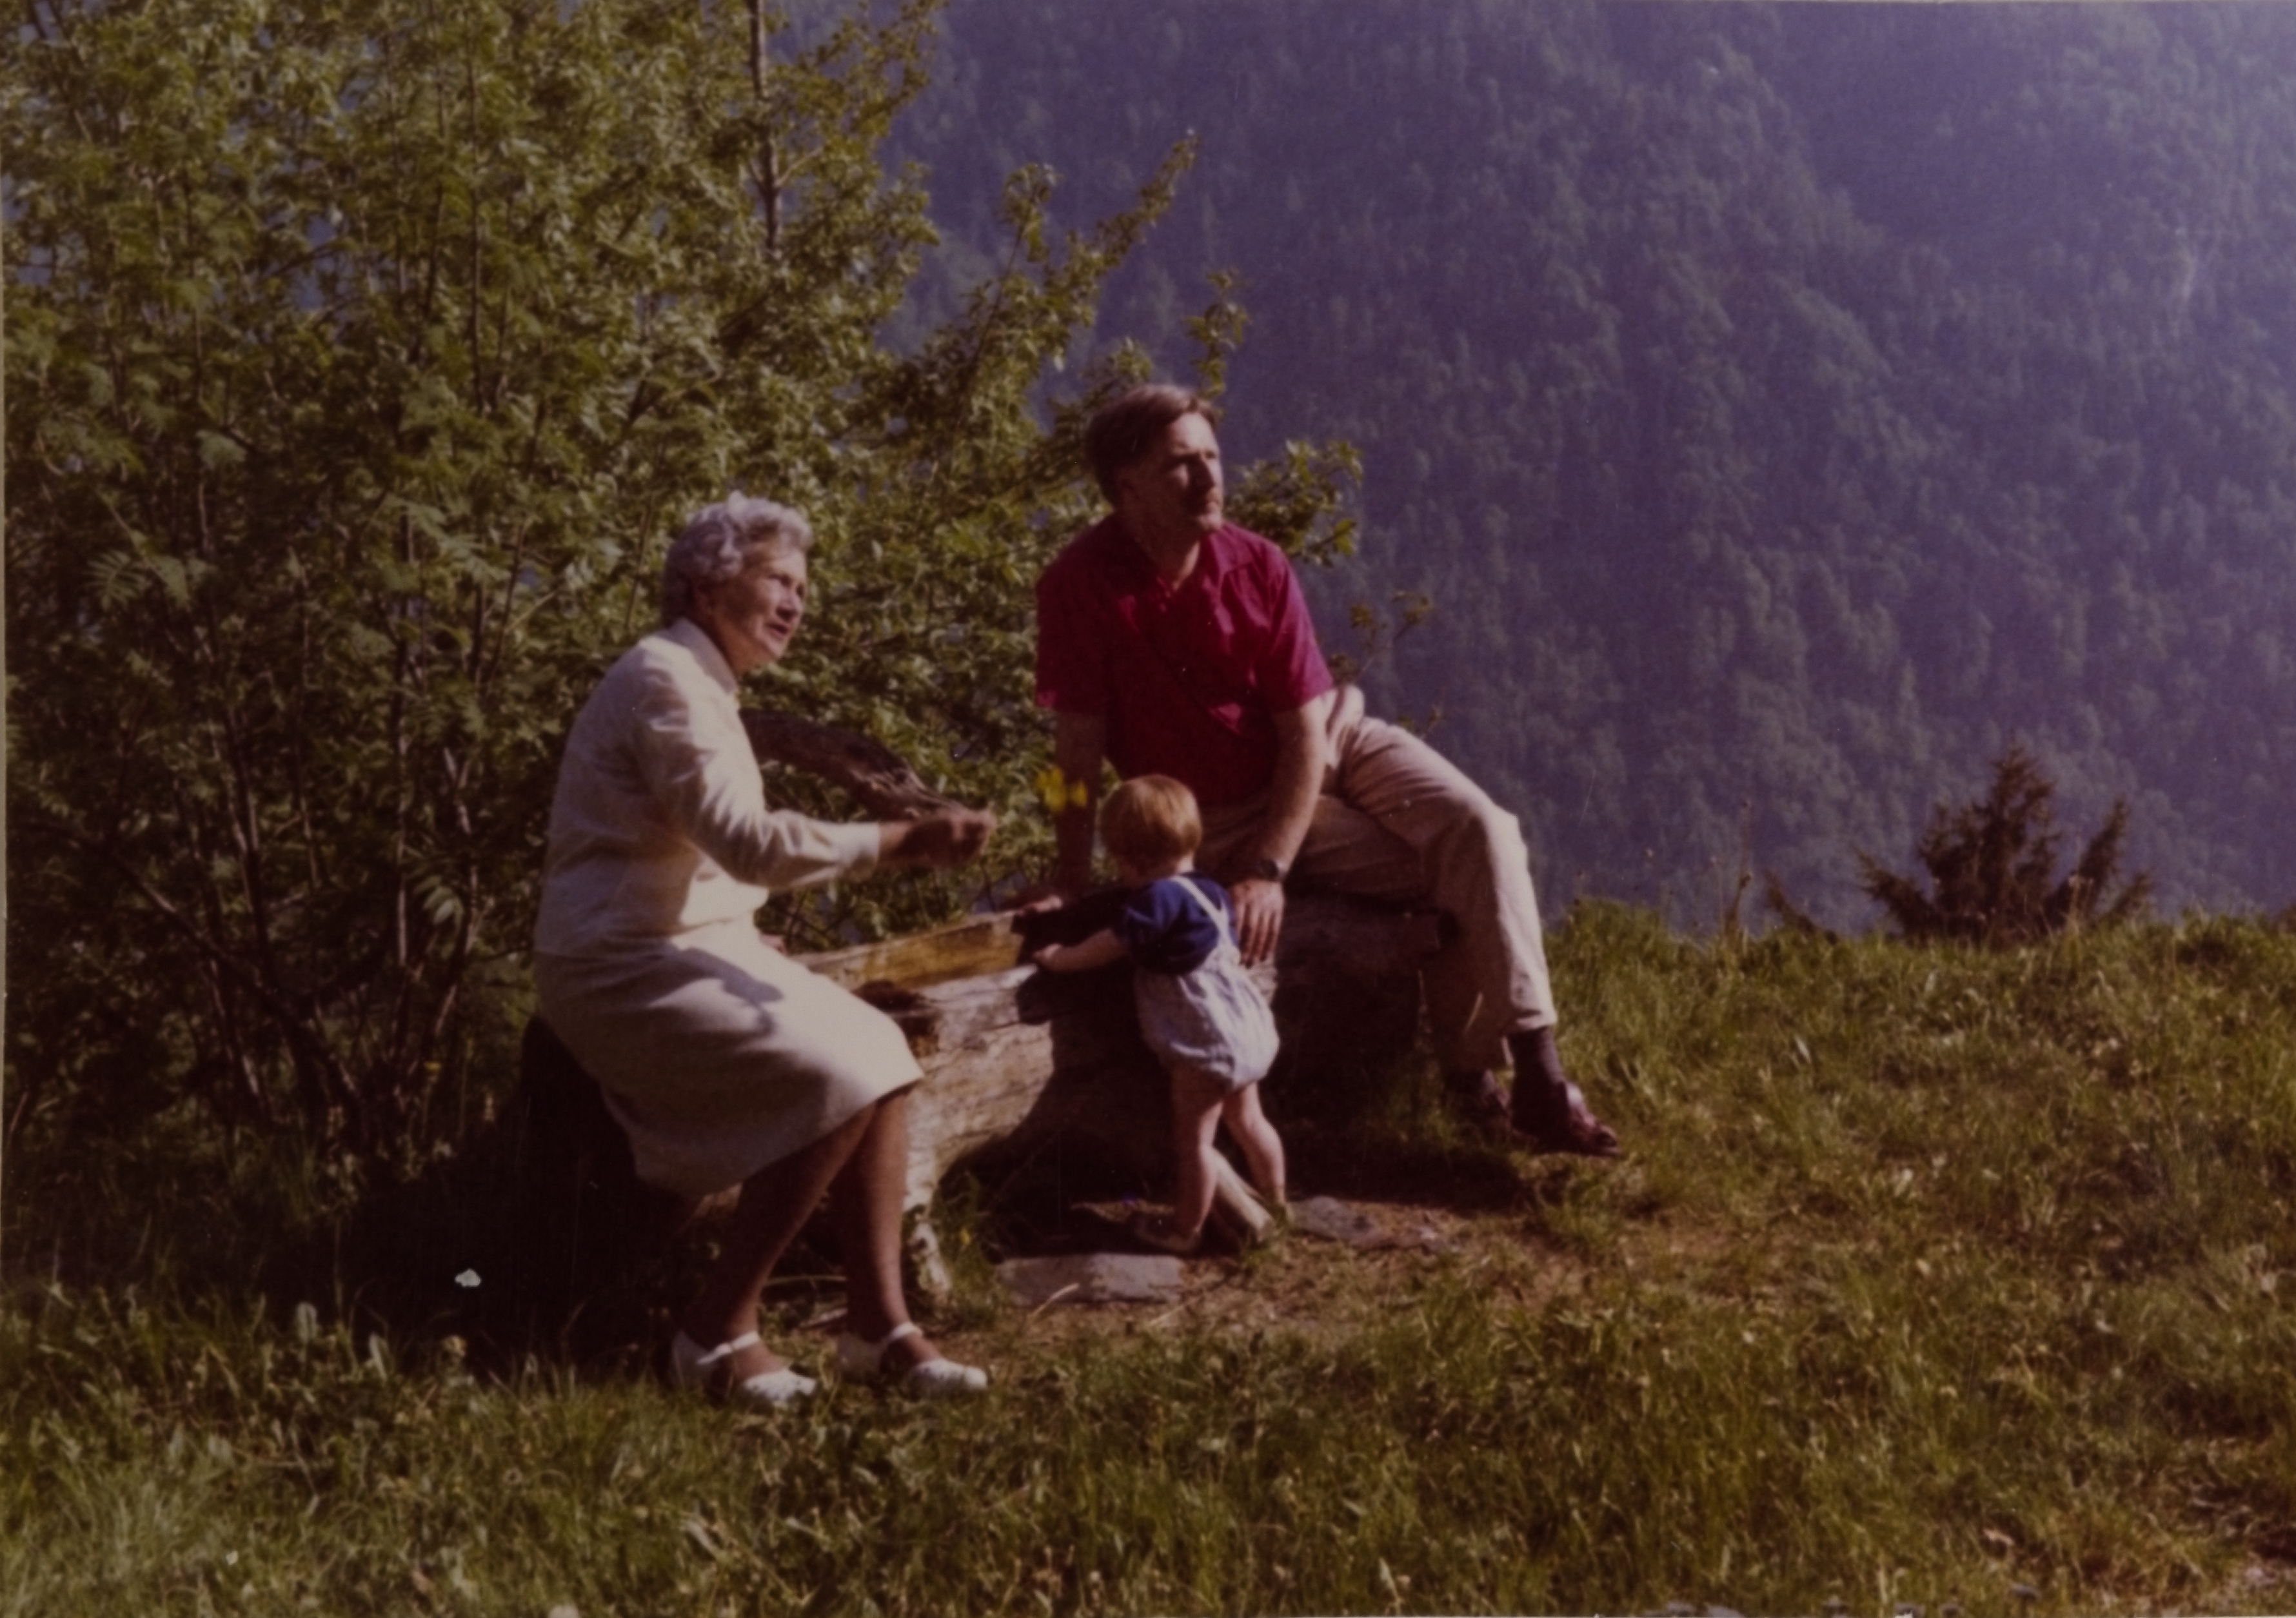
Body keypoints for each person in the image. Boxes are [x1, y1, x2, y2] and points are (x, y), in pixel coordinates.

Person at [1031, 384, 1619, 1156]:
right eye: (1182, 464)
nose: (1209, 478)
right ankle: (1471, 1081)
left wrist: (1268, 869)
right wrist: (1069, 878)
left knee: (1482, 827)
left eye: (1212, 456)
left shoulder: (1256, 563)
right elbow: (1071, 758)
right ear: (1126, 484)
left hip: (1325, 743)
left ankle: (1538, 1071)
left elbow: (1303, 733)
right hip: (1223, 809)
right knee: (1451, 875)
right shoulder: (1079, 584)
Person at [533, 494, 996, 1407]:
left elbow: (690, 853)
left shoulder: (701, 681)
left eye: (803, 589)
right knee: (836, 1072)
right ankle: (713, 1333)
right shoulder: (665, 679)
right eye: (779, 581)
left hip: (672, 946)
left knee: (885, 1053)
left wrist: (737, 928)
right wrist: (901, 840)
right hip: (612, 966)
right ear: (706, 589)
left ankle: (878, 1328)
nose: (796, 604)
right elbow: (746, 842)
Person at [1030, 775, 1289, 1253]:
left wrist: (1061, 958)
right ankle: (1278, 1203)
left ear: (1132, 859)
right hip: (1244, 1028)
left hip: (1205, 1042)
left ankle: (1184, 1231)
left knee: (1195, 1143)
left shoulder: (1157, 899)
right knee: (1251, 1123)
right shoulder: (1210, 891)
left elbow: (1112, 944)